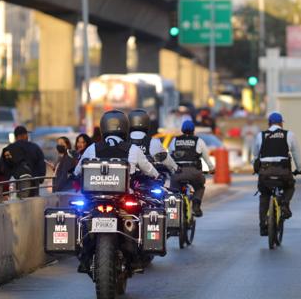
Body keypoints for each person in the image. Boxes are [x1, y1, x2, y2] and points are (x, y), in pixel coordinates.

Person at [74, 110, 160, 274]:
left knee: (84, 220)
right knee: (137, 218)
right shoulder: (133, 149)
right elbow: (150, 170)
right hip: (123, 199)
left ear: (103, 128)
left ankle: (85, 260)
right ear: (125, 128)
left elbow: (78, 171)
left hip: (95, 200)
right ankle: (135, 258)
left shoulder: (93, 148)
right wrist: (157, 176)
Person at [253, 111, 301, 236]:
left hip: (265, 173)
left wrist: (255, 169)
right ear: (281, 123)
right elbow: (296, 154)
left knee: (264, 196)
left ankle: (263, 226)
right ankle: (285, 204)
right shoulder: (289, 135)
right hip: (283, 172)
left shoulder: (261, 135)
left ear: (269, 123)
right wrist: (299, 169)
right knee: (290, 186)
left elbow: (255, 156)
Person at [168, 119, 215, 217]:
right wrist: (211, 169)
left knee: (174, 191)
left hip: (178, 172)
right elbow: (206, 157)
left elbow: (169, 157)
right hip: (194, 172)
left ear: (182, 130)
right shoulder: (198, 141)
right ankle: (196, 206)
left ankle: (173, 211)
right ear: (194, 130)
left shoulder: (175, 140)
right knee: (200, 187)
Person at [127, 108, 177, 174]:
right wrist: (176, 168)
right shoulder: (153, 141)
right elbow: (165, 159)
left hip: (127, 179)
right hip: (147, 179)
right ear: (147, 123)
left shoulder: (122, 142)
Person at [1, 125, 47, 197]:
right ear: (24, 135)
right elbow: (41, 166)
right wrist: (40, 179)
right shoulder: (35, 148)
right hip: (33, 186)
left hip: (14, 187)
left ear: (16, 136)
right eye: (26, 134)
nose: (27, 136)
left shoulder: (8, 149)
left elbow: (3, 168)